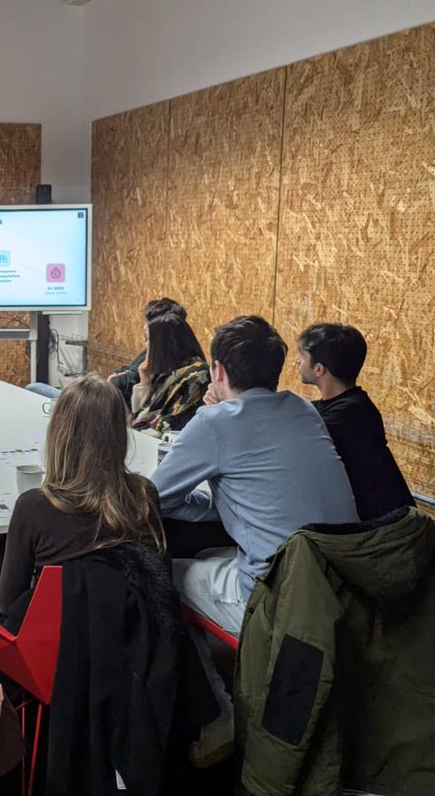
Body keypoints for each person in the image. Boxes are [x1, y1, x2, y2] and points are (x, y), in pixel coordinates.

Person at [151, 315, 357, 765]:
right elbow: (253, 490)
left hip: (276, 602)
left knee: (162, 576)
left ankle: (220, 713)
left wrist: (209, 421)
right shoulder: (303, 409)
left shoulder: (213, 423)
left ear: (218, 372)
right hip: (339, 588)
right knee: (209, 554)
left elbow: (152, 498)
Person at [0, 373, 164, 617]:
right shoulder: (144, 495)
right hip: (131, 642)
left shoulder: (34, 506)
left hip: (54, 646)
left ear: (59, 434)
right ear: (120, 433)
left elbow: (7, 602)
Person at [297, 323, 415, 520]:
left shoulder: (347, 415)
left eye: (302, 355)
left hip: (383, 530)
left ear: (319, 369)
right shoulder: (353, 404)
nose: (296, 360)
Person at [24, 297, 186, 402]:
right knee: (35, 389)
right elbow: (124, 373)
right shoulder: (151, 350)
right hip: (100, 396)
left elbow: (121, 382)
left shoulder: (161, 358)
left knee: (35, 390)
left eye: (147, 323)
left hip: (100, 405)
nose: (143, 326)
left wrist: (115, 379)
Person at [129, 311, 210, 435]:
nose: (146, 346)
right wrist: (145, 383)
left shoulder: (196, 374)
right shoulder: (166, 371)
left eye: (148, 339)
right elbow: (137, 415)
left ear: (164, 343)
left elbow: (167, 427)